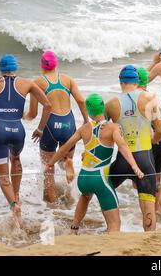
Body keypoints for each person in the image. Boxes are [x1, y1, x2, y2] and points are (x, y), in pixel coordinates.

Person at [47, 94, 144, 233]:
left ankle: (74, 228)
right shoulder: (113, 127)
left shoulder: (83, 129)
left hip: (84, 178)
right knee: (115, 225)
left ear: (89, 112)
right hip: (100, 179)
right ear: (103, 108)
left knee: (85, 196)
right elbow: (122, 146)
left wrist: (51, 163)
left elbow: (64, 148)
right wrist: (135, 167)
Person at [0, 54, 52, 228]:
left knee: (3, 178)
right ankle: (16, 195)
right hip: (18, 130)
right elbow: (48, 105)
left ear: (1, 69)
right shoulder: (27, 83)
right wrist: (40, 129)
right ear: (15, 67)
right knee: (16, 159)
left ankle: (14, 205)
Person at [106, 65, 161, 231]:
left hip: (122, 161)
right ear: (137, 81)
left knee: (102, 189)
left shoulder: (110, 104)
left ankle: (109, 228)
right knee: (148, 207)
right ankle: (149, 241)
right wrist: (153, 141)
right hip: (145, 160)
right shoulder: (150, 98)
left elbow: (101, 134)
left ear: (121, 81)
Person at [24, 51, 88, 203]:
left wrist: (23, 116)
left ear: (42, 64)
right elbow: (80, 101)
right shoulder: (68, 79)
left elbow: (33, 114)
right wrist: (86, 121)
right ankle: (67, 165)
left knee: (48, 168)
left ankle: (52, 205)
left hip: (50, 126)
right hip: (69, 124)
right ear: (56, 64)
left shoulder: (37, 83)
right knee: (64, 159)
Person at [137, 67, 161, 213]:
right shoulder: (152, 97)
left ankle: (152, 209)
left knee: (140, 179)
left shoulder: (133, 98)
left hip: (149, 139)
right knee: (156, 178)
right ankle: (158, 202)